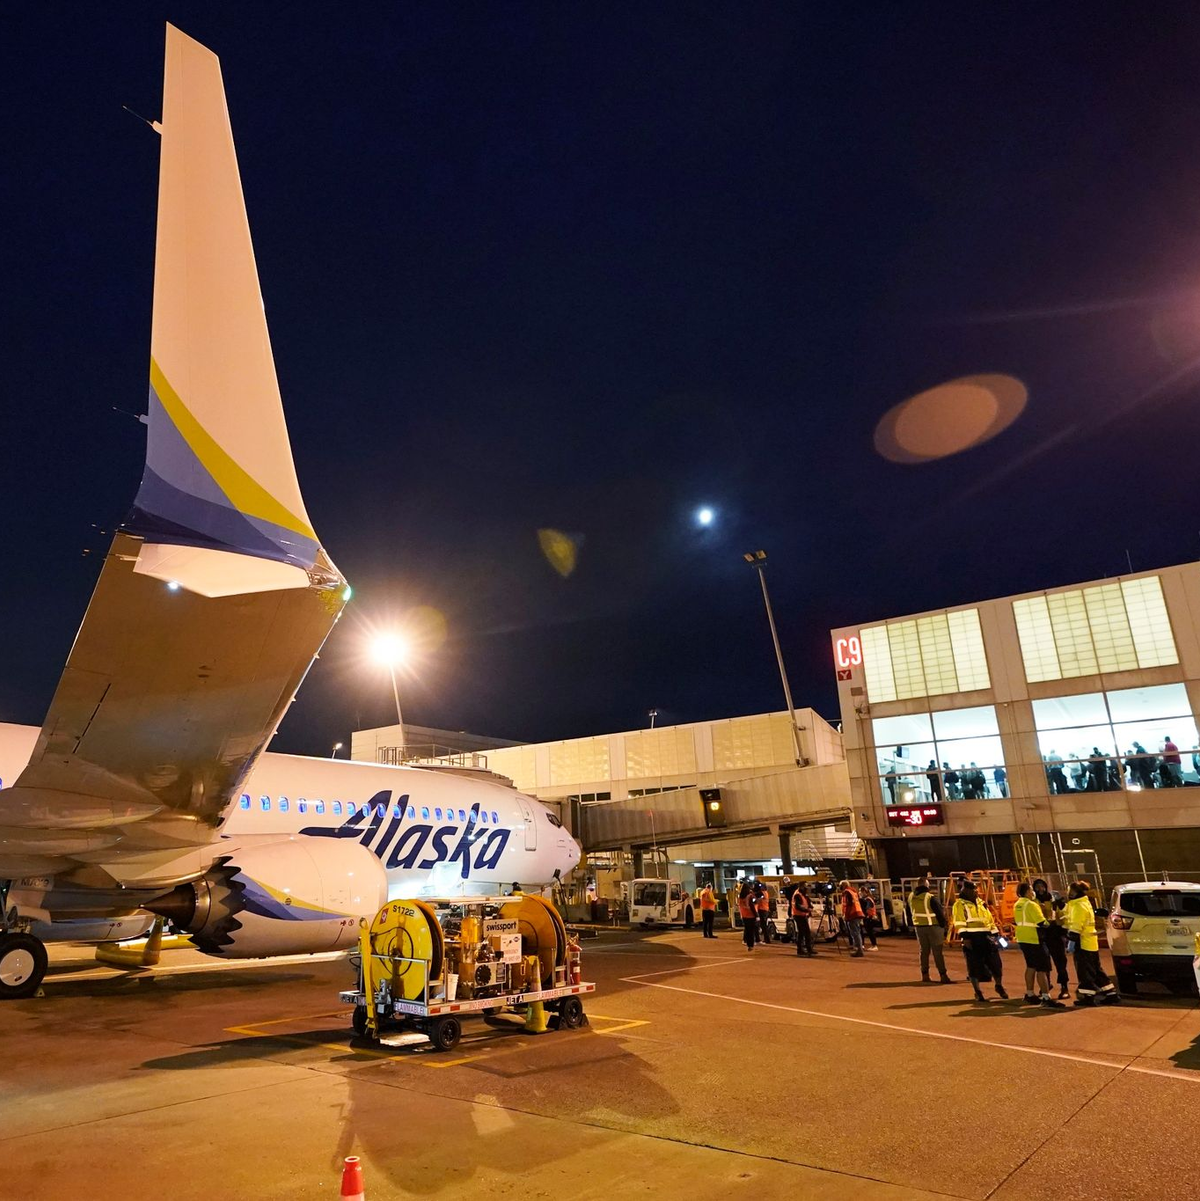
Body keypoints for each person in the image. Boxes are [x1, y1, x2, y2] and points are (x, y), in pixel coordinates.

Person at [1064, 881, 1119, 1006]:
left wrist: (1071, 940)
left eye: (1069, 890)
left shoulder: (1078, 906)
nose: (1068, 893)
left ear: (1074, 892)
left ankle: (1088, 997)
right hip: (1090, 942)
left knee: (1085, 972)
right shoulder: (1084, 903)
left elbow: (1076, 926)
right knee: (1096, 970)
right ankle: (1111, 993)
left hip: (1082, 943)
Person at [951, 880, 1007, 1003]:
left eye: (976, 889)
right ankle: (977, 991)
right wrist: (965, 938)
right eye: (973, 890)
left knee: (996, 964)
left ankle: (999, 986)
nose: (976, 891)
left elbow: (990, 921)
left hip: (987, 937)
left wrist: (996, 936)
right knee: (974, 967)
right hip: (972, 938)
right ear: (966, 891)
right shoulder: (959, 905)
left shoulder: (982, 904)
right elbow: (959, 922)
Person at [1013, 881, 1065, 1009]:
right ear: (1026, 892)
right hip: (1035, 938)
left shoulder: (1017, 904)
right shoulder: (1031, 905)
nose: (1033, 892)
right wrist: (1053, 924)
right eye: (1031, 890)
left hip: (1023, 938)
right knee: (1042, 968)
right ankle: (1046, 997)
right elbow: (1042, 922)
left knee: (1031, 966)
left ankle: (1030, 994)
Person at [1032, 877, 1070, 999]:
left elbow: (1064, 915)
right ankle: (1047, 984)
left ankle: (1064, 987)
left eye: (1042, 886)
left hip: (1056, 934)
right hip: (1042, 935)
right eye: (1037, 887)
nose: (1040, 889)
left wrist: (1064, 931)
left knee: (1060, 962)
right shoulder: (1033, 902)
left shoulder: (1054, 900)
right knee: (1044, 963)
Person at [909, 880, 952, 983]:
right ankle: (943, 975)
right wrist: (944, 926)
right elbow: (939, 913)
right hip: (934, 927)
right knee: (937, 952)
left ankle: (925, 974)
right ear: (926, 885)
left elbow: (908, 911)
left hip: (919, 927)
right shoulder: (930, 897)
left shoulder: (911, 897)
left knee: (924, 951)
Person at [840, 879, 865, 957]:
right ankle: (859, 949)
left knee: (855, 933)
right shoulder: (853, 891)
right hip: (857, 913)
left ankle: (858, 950)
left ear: (844, 885)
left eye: (840, 886)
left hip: (852, 914)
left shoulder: (847, 892)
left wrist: (845, 915)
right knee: (857, 932)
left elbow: (848, 905)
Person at [791, 882, 815, 957]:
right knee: (801, 932)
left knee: (806, 932)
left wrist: (810, 908)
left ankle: (808, 948)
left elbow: (807, 902)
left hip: (803, 915)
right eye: (805, 887)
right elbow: (798, 906)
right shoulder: (797, 894)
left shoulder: (802, 894)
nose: (807, 889)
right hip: (798, 915)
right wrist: (807, 910)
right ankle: (800, 949)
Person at [738, 882, 758, 952]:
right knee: (751, 931)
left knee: (747, 930)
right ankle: (751, 945)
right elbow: (752, 906)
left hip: (744, 915)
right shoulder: (749, 896)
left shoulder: (740, 897)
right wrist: (756, 915)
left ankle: (748, 944)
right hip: (750, 915)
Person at [860, 886, 880, 951]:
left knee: (870, 932)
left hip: (870, 918)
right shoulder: (868, 899)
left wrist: (866, 914)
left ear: (864, 892)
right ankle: (873, 945)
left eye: (861, 892)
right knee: (869, 931)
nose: (860, 893)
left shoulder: (868, 899)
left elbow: (868, 908)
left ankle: (874, 945)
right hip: (870, 917)